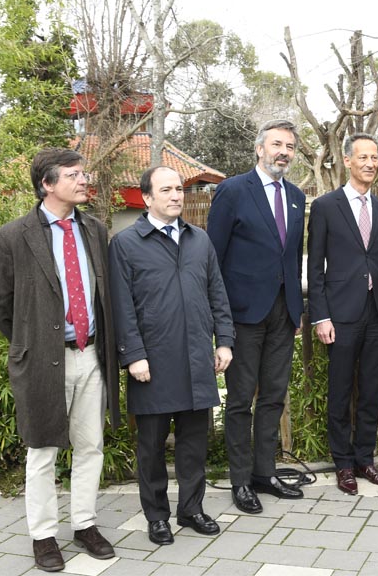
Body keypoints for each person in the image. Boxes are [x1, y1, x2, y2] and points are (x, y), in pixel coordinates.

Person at [0, 148, 120, 572]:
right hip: (43, 359)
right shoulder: (12, 236)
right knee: (42, 449)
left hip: (93, 353)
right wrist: (33, 341)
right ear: (47, 183)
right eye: (74, 175)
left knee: (90, 445)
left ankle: (84, 524)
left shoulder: (95, 229)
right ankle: (43, 536)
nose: (84, 180)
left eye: (84, 173)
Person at [109, 166, 234, 545]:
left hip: (197, 357)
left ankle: (192, 509)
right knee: (151, 446)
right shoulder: (126, 244)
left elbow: (217, 294)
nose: (176, 195)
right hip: (153, 361)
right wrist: (133, 355)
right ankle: (157, 516)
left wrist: (224, 340)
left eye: (179, 189)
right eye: (166, 190)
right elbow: (121, 306)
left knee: (194, 443)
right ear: (147, 198)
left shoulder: (200, 240)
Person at [206, 119, 306, 513]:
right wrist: (220, 322)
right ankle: (240, 480)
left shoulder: (296, 196)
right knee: (240, 401)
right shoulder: (232, 190)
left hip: (283, 312)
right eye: (277, 144)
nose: (284, 151)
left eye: (290, 146)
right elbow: (213, 256)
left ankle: (265, 473)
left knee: (274, 398)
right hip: (243, 314)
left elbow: (291, 255)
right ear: (260, 149)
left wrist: (296, 310)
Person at [307, 133, 378, 495]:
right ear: (347, 161)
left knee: (371, 391)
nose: (370, 163)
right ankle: (342, 464)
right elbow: (315, 267)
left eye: (375, 157)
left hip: (377, 314)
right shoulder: (327, 206)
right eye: (363, 157)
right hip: (340, 316)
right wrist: (320, 316)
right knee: (341, 391)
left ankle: (365, 460)